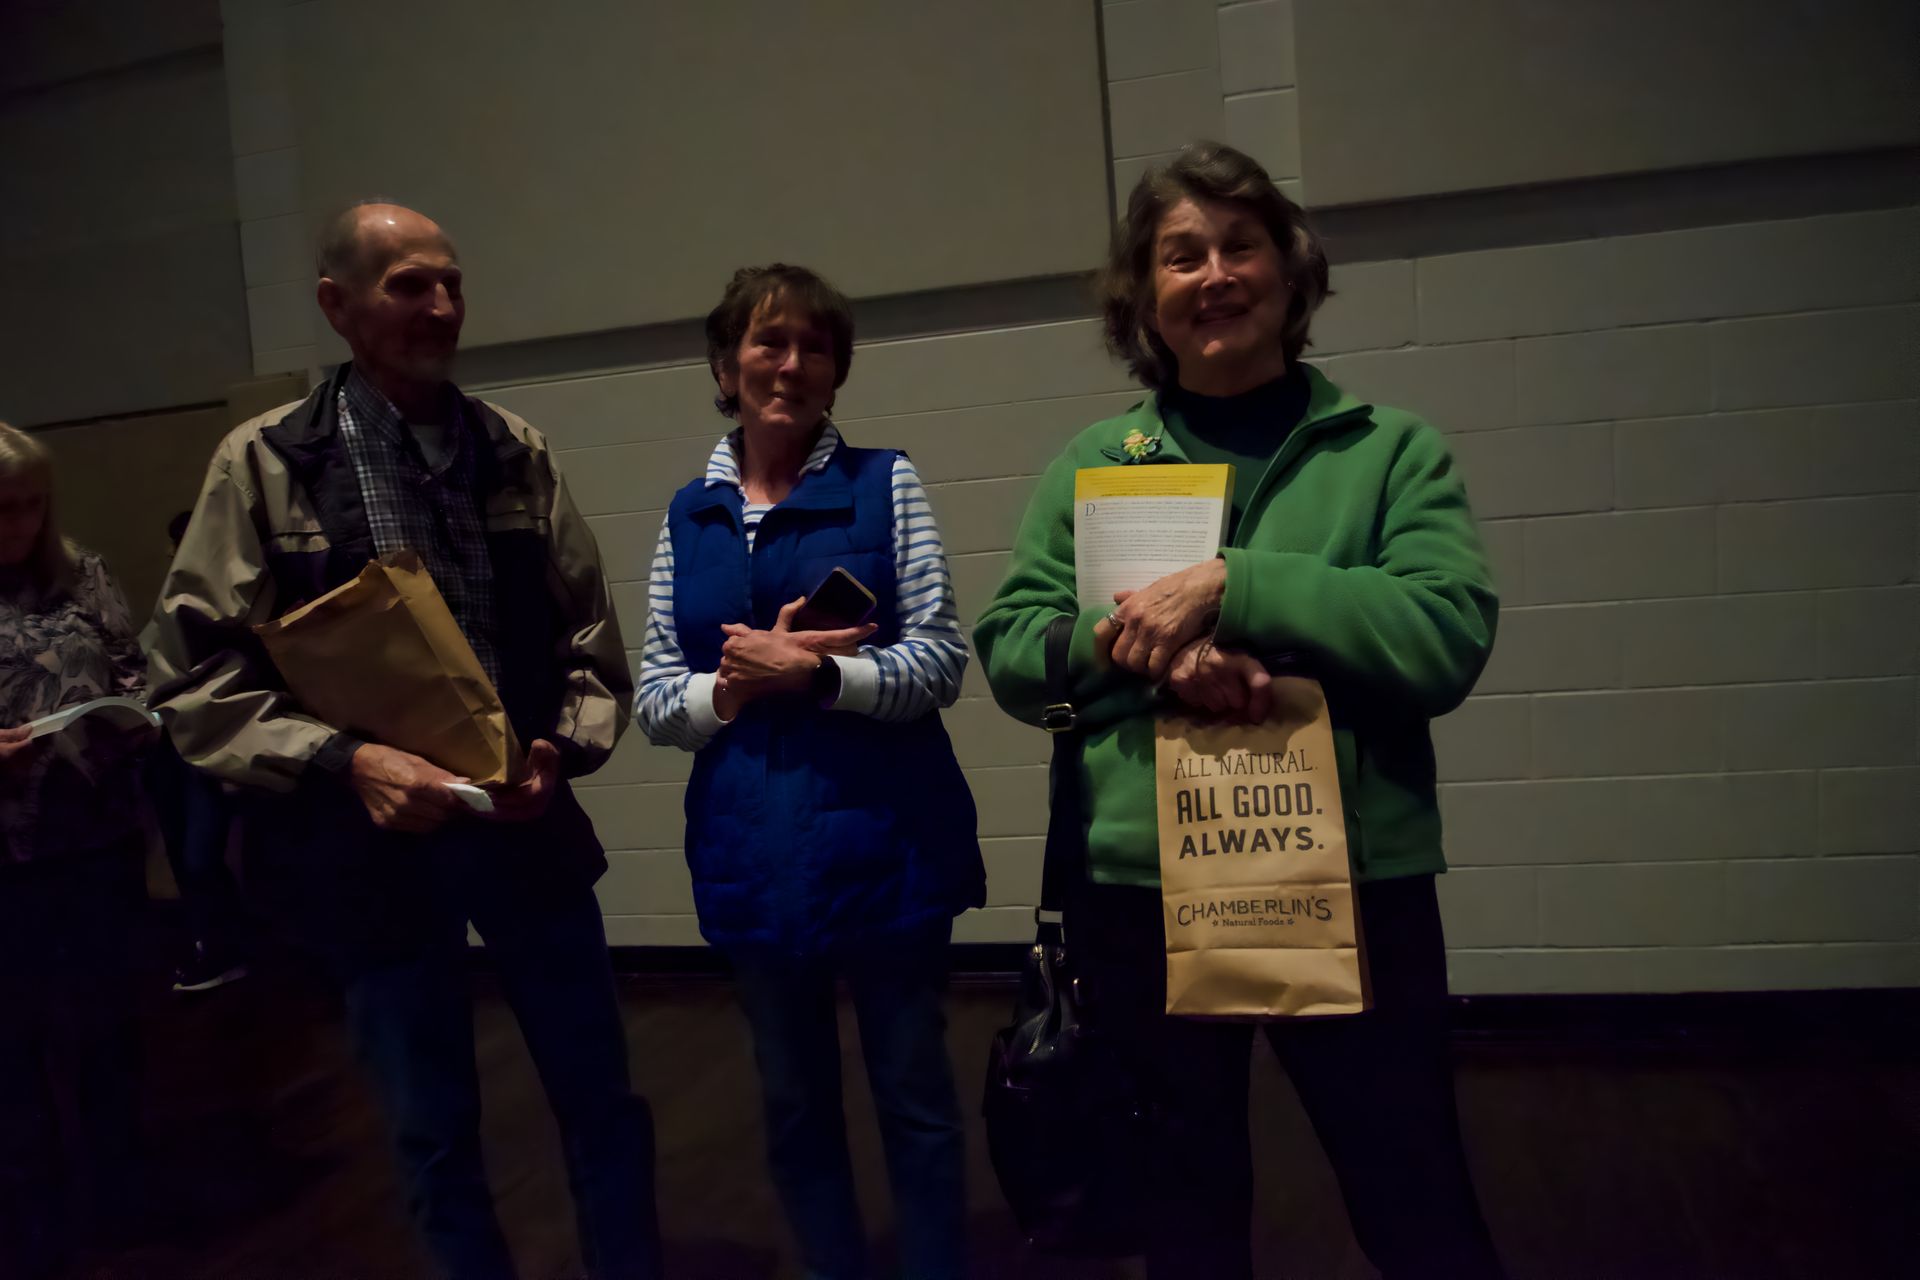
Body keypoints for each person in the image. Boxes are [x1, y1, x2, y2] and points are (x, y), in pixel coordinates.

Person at [975, 142, 1506, 1279]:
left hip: (1354, 886)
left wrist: (1238, 583)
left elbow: (1446, 635)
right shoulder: (1091, 462)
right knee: (1185, 1214)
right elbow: (1017, 653)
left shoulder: (1389, 451)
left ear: (1289, 269)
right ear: (1143, 296)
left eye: (1239, 245)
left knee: (1415, 1192)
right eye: (1181, 255)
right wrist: (1146, 653)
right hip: (1144, 895)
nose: (1213, 273)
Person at [146, 203, 661, 1280]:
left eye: (452, 283)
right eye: (408, 285)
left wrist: (559, 749)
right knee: (432, 1130)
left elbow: (591, 646)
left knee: (602, 1102)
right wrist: (350, 762)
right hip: (366, 848)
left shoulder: (514, 451)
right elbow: (190, 678)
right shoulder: (264, 466)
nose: (441, 307)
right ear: (337, 304)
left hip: (525, 826)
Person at [636, 264, 983, 1280]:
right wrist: (734, 690)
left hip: (892, 848)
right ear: (722, 363)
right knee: (793, 1107)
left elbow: (941, 663)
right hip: (752, 853)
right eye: (767, 341)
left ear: (837, 372)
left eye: (813, 347)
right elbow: (659, 696)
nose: (790, 364)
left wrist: (818, 670)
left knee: (915, 1098)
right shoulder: (687, 513)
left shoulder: (886, 483)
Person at [0, 421, 154, 1278]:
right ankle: (31, 1217)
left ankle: (117, 1193)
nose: (18, 523)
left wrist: (135, 715)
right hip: (5, 861)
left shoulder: (78, 572)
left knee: (105, 1028)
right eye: (0, 508)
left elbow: (131, 664)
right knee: (14, 1046)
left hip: (92, 836)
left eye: (30, 505)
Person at [144, 509, 250, 993]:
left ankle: (227, 948)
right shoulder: (177, 599)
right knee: (185, 851)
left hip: (209, 740)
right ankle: (215, 944)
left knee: (200, 855)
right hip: (167, 738)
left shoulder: (225, 595)